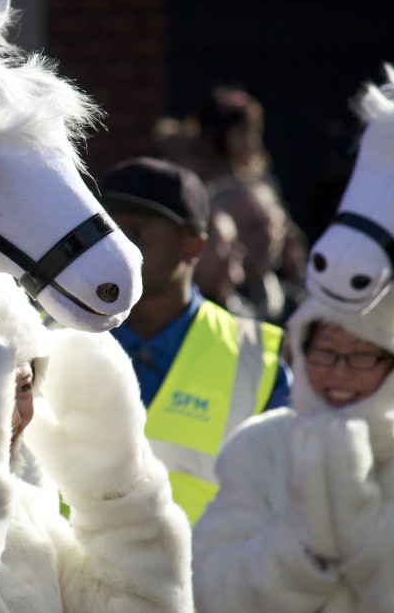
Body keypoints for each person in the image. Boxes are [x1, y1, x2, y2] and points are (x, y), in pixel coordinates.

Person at [192, 295, 394, 611]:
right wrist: (304, 544)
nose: (340, 371)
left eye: (362, 354)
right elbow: (210, 588)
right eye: (325, 352)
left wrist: (362, 523)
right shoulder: (259, 445)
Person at [100, 156, 291, 524]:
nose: (116, 247)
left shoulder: (255, 360)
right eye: (106, 231)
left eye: (137, 234)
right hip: (62, 580)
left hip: (199, 580)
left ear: (194, 247)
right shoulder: (48, 337)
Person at [211, 178, 305, 325]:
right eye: (254, 226)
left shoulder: (296, 308)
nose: (268, 236)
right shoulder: (208, 309)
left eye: (270, 224)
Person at [194, 207, 258, 318]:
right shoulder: (171, 315)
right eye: (228, 243)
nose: (239, 251)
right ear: (197, 248)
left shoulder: (245, 317)